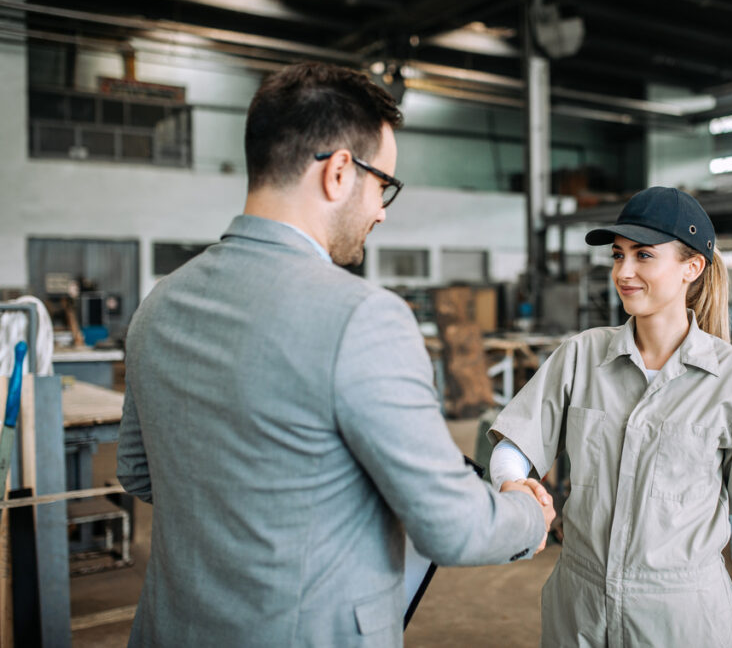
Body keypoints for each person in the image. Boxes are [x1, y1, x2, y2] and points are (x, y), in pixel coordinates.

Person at [117, 62, 554, 647]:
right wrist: (529, 514)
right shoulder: (363, 317)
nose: (379, 211)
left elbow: (139, 474)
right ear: (340, 172)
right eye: (383, 188)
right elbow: (453, 528)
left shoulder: (161, 303)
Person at [488, 186, 732, 647]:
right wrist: (510, 480)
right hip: (579, 608)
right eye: (618, 256)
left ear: (691, 267)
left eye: (643, 256)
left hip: (682, 621)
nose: (624, 272)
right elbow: (515, 445)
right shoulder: (581, 356)